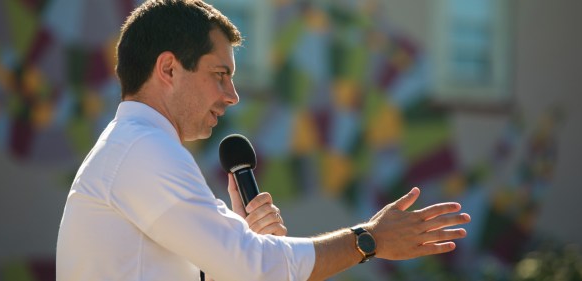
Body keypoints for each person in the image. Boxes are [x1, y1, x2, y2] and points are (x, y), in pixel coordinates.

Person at [56, 0, 471, 280]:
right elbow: (248, 264)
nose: (232, 96)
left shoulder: (135, 146)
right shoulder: (144, 150)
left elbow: (235, 264)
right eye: (220, 74)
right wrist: (368, 239)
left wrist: (239, 235)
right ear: (168, 69)